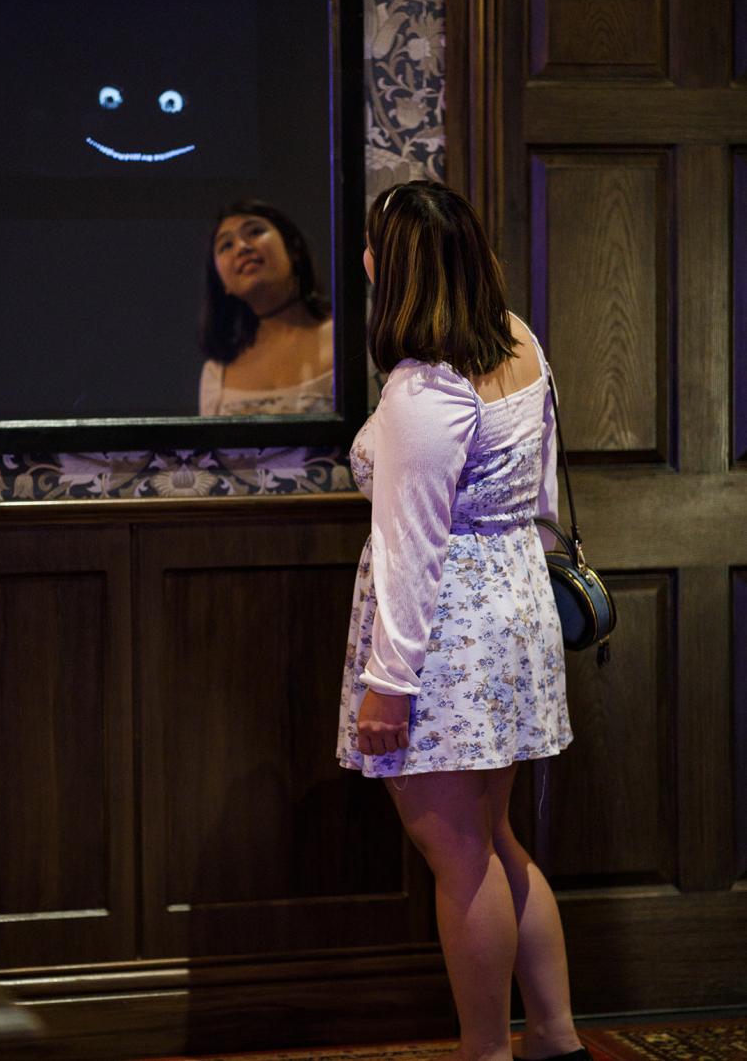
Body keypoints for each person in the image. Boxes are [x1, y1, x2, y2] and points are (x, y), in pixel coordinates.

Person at [337, 180, 589, 1061]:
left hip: (445, 635)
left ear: (393, 269)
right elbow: (541, 485)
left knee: (460, 859)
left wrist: (388, 689)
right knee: (497, 841)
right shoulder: (517, 339)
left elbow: (410, 552)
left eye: (373, 246)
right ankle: (555, 1039)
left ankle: (485, 1052)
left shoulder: (423, 389)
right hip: (512, 606)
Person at [198, 201, 334, 416]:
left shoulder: (350, 338)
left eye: (255, 231)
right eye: (226, 246)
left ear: (293, 249)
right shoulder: (217, 373)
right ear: (222, 283)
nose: (242, 247)